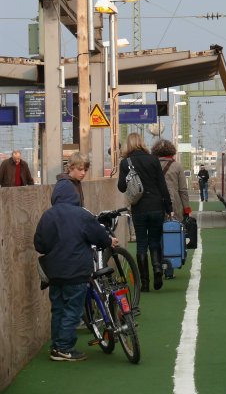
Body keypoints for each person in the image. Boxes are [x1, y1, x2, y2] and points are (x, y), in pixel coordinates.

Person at [34, 152, 117, 362]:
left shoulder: (48, 216)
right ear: (75, 196)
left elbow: (39, 244)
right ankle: (65, 348)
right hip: (76, 271)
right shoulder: (82, 215)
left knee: (59, 309)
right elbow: (98, 236)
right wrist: (109, 241)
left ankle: (56, 347)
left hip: (54, 273)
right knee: (73, 310)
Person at [117, 133, 173, 292]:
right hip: (156, 206)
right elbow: (162, 186)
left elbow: (121, 187)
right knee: (155, 241)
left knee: (141, 244)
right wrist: (169, 209)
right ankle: (157, 270)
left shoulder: (125, 163)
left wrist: (129, 176)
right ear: (142, 143)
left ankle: (145, 283)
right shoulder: (153, 160)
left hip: (139, 208)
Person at [152, 139, 191, 222]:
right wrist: (186, 210)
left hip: (155, 205)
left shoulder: (151, 165)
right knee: (174, 232)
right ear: (171, 151)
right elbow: (183, 190)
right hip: (174, 206)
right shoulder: (177, 166)